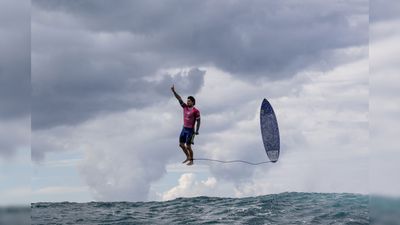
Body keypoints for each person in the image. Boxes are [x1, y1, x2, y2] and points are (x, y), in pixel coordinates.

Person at [171, 85, 200, 166]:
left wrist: (197, 130)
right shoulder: (185, 107)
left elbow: (199, 121)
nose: (187, 102)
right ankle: (187, 157)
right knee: (181, 144)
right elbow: (179, 98)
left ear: (193, 102)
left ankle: (191, 160)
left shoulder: (196, 111)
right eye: (187, 101)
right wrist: (174, 91)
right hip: (184, 129)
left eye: (189, 101)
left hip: (190, 130)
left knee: (188, 146)